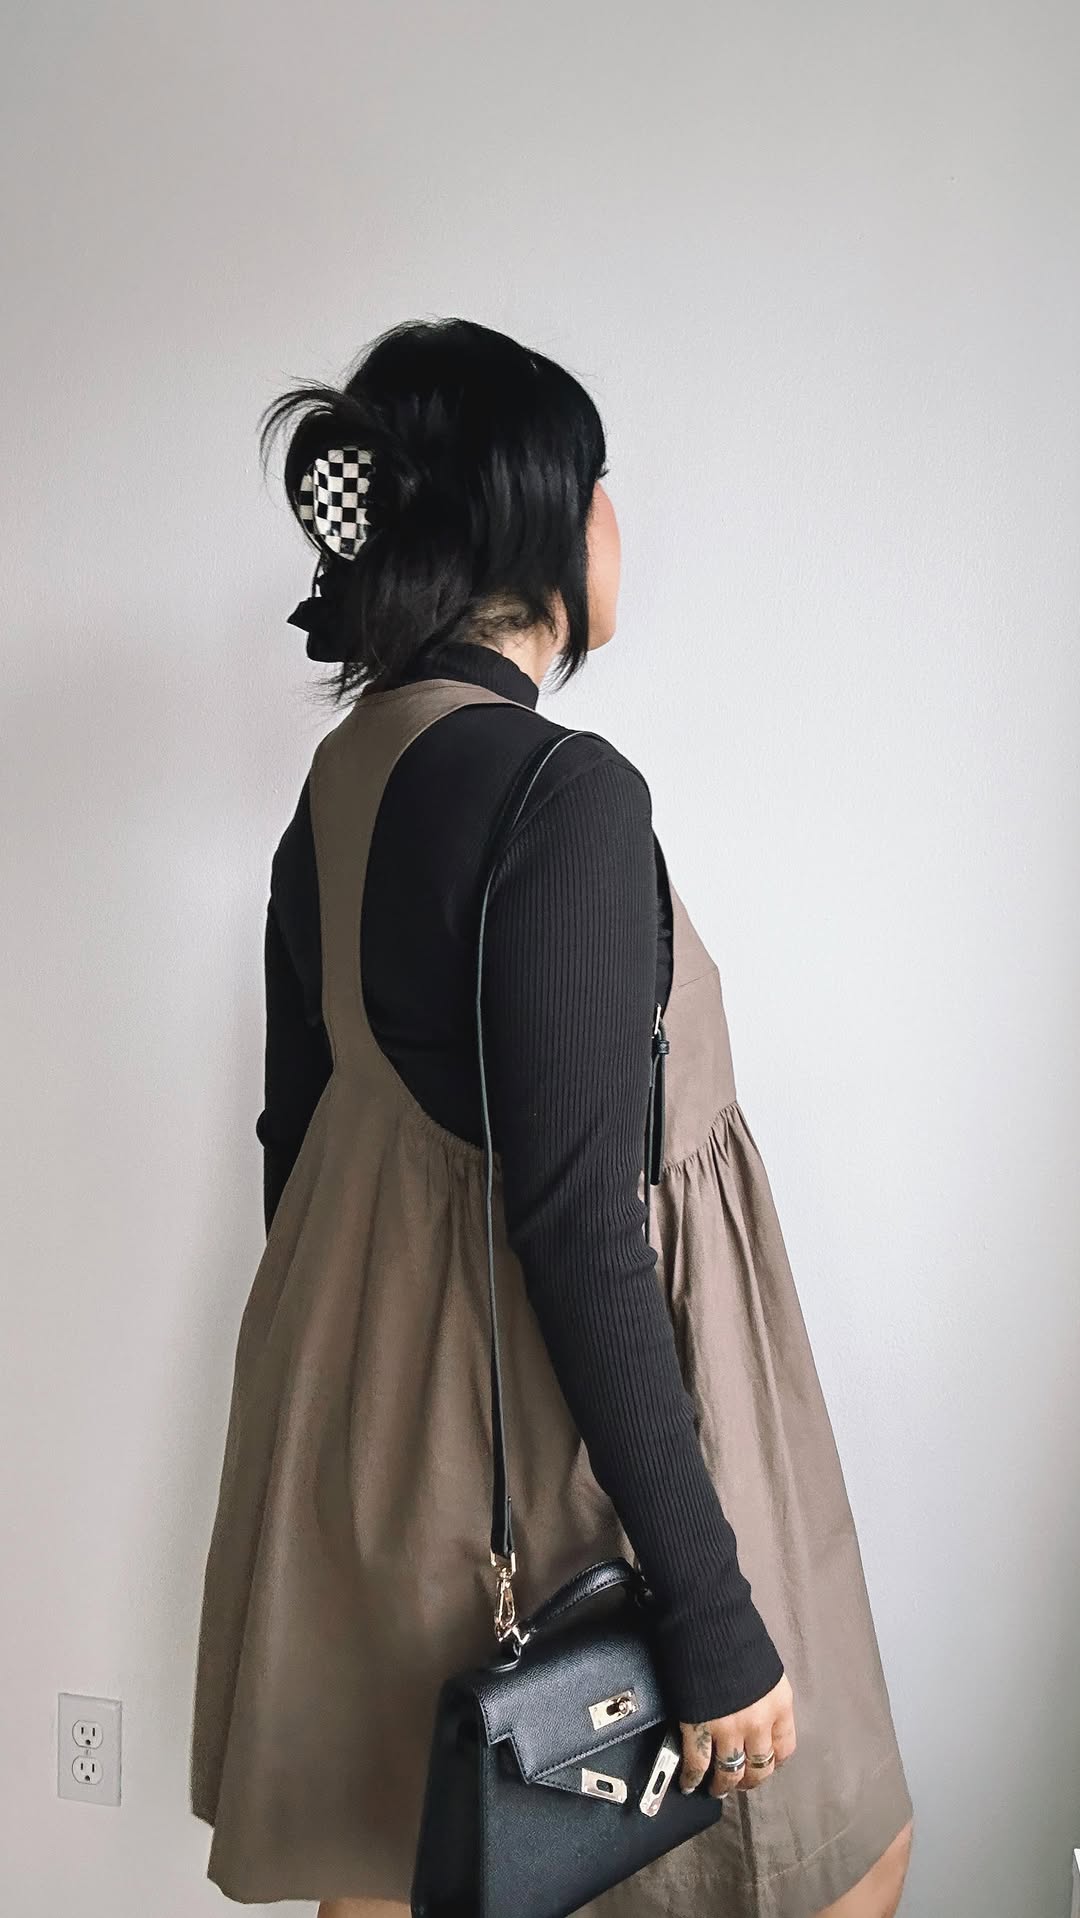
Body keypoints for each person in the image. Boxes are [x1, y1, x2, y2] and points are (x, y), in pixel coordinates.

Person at [189, 318, 913, 1918]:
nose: (616, 522)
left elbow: (295, 1156)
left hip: (371, 1456)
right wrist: (710, 1613)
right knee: (844, 1861)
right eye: (601, 486)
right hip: (597, 1449)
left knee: (402, 1863)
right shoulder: (563, 793)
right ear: (542, 520)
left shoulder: (335, 791)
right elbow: (582, 1224)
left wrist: (372, 1448)